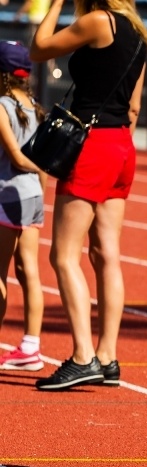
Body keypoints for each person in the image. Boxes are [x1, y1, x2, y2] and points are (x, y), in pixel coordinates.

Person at [28, 0, 147, 391]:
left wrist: (53, 4)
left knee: (63, 255)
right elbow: (134, 105)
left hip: (94, 144)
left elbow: (39, 48)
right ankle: (108, 356)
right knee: (105, 253)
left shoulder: (99, 21)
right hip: (121, 145)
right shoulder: (140, 33)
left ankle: (83, 356)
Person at [0, 41, 47, 373]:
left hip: (7, 194)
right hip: (32, 195)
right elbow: (40, 162)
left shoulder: (1, 106)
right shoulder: (34, 105)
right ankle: (31, 345)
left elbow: (16, 157)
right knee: (29, 270)